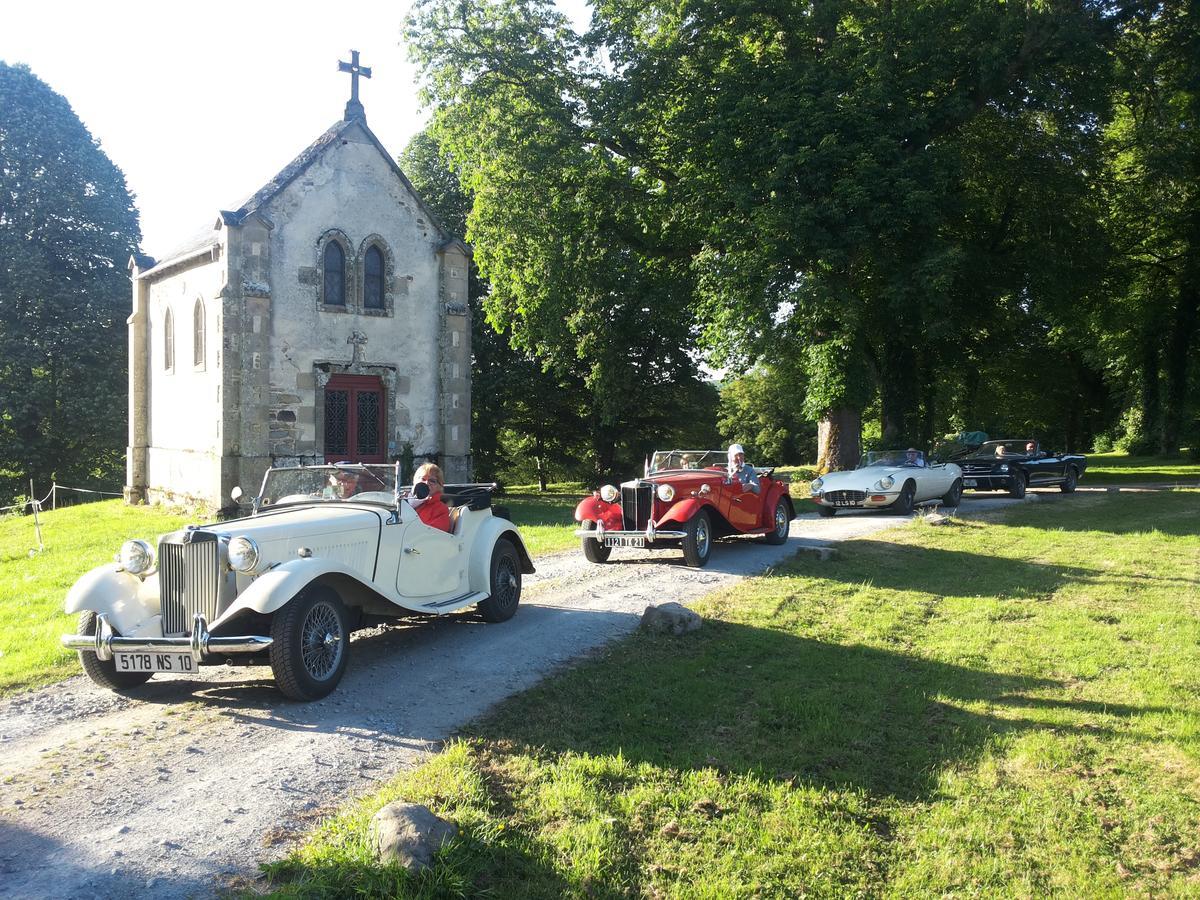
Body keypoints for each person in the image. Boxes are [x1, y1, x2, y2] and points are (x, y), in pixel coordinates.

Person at [412, 462, 451, 532]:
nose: (426, 483)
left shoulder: (441, 509)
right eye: (423, 479)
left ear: (439, 486)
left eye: (432, 481)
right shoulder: (405, 501)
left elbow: (433, 534)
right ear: (415, 482)